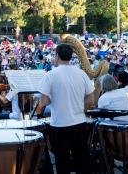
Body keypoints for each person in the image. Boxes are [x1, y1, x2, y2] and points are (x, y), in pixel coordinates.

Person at [37, 43, 94, 174]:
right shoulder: (82, 74)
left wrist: (53, 100)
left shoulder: (50, 75)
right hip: (79, 122)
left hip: (59, 124)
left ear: (57, 56)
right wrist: (79, 104)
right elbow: (91, 99)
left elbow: (44, 101)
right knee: (82, 160)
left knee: (62, 162)